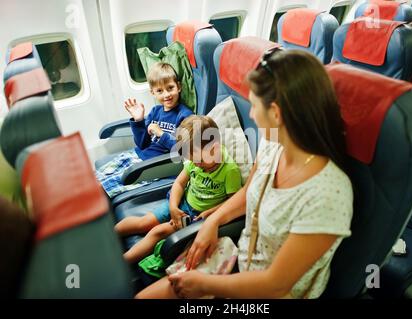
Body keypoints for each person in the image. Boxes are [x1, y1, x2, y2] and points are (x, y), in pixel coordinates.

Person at [135, 49, 353, 299]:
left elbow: (277, 284)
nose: (250, 114)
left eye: (254, 106)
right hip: (240, 257)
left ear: (276, 114)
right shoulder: (274, 145)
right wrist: (214, 221)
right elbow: (250, 190)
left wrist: (205, 285)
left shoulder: (328, 195)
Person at [115, 115, 242, 264]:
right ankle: (109, 235)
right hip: (181, 203)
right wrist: (173, 207)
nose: (196, 164)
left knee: (158, 232)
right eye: (192, 160)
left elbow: (233, 201)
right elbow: (179, 184)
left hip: (196, 217)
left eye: (199, 160)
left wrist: (212, 212)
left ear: (213, 149)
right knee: (144, 222)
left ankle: (122, 263)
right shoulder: (194, 161)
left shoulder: (229, 170)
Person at [96, 62, 194, 198]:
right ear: (152, 92)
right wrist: (138, 121)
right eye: (160, 91)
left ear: (179, 86)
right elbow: (142, 144)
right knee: (96, 177)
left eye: (170, 88)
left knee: (103, 187)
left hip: (154, 165)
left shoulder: (184, 115)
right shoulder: (156, 111)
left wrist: (161, 134)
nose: (166, 94)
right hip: (138, 154)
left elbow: (184, 150)